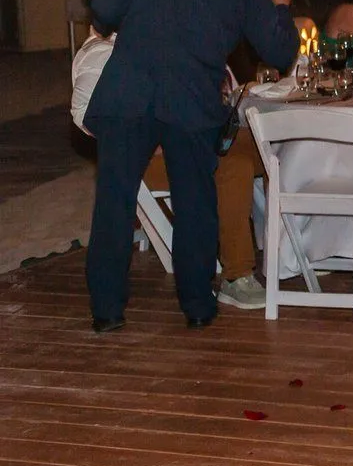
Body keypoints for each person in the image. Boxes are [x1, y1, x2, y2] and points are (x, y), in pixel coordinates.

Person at [83, 0, 297, 332]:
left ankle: (106, 310)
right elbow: (280, 51)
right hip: (192, 103)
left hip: (128, 97)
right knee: (195, 201)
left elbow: (104, 11)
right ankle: (197, 305)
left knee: (114, 201)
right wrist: (281, 5)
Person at [72, 31, 269, 310]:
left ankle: (298, 247)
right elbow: (92, 119)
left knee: (270, 140)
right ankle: (237, 276)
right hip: (147, 159)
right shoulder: (101, 54)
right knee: (232, 166)